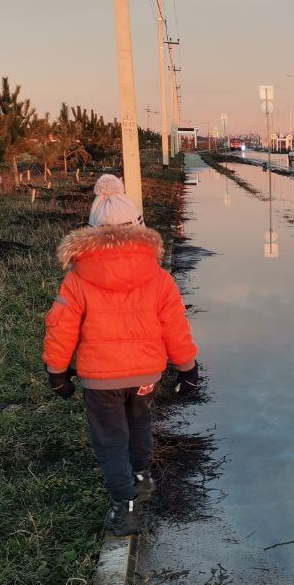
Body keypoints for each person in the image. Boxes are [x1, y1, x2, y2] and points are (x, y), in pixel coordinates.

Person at [42, 175, 199, 536]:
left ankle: (123, 504)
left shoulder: (78, 279)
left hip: (101, 379)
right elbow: (175, 326)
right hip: (145, 375)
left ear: (93, 232)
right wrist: (187, 368)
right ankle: (141, 475)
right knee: (140, 422)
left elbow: (61, 327)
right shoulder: (158, 277)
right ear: (139, 229)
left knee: (110, 438)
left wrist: (57, 372)